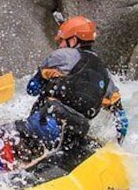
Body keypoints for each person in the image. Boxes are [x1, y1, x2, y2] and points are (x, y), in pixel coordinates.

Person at [25, 15, 128, 144]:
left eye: (62, 41)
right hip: (78, 131)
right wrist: (118, 143)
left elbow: (32, 88)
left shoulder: (61, 56)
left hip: (47, 123)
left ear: (73, 40)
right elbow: (122, 122)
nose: (60, 45)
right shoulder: (104, 73)